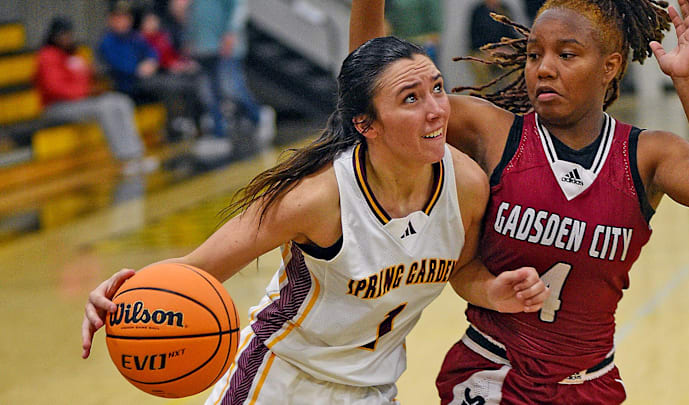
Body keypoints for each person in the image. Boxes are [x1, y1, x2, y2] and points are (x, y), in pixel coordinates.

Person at [81, 34, 550, 403]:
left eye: (437, 88)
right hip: (281, 381)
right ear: (366, 125)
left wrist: (493, 290)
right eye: (410, 99)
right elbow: (199, 269)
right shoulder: (317, 198)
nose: (436, 110)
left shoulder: (466, 184)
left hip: (372, 391)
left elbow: (462, 267)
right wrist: (123, 295)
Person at [350, 0, 689, 403]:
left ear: (610, 67)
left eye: (566, 54)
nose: (543, 68)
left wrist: (686, 79)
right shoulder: (492, 132)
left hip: (591, 383)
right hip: (492, 372)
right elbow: (376, 90)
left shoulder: (646, 154)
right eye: (533, 54)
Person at [35, 16, 158, 176]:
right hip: (57, 106)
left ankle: (137, 155)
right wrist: (85, 92)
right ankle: (124, 160)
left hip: (83, 102)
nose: (66, 38)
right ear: (54, 36)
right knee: (105, 107)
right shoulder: (47, 56)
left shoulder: (75, 53)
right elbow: (55, 88)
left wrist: (95, 84)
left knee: (121, 101)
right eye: (62, 35)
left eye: (68, 34)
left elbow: (88, 77)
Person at [186, 0, 276, 159]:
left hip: (225, 46)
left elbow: (239, 8)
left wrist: (231, 32)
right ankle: (219, 134)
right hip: (203, 47)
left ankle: (258, 116)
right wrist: (189, 38)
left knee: (231, 87)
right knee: (209, 94)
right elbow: (193, 15)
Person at [98, 0, 199, 141]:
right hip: (128, 85)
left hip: (145, 80)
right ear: (111, 20)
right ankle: (172, 128)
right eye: (118, 18)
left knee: (184, 83)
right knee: (167, 86)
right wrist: (137, 68)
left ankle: (186, 122)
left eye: (125, 17)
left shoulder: (134, 36)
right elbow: (118, 65)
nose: (123, 21)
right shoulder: (107, 41)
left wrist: (151, 62)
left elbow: (151, 52)